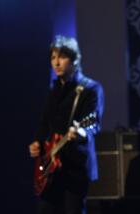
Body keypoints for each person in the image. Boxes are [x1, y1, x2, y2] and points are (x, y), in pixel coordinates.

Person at [29, 35, 104, 214]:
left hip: (75, 169)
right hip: (51, 171)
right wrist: (37, 143)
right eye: (53, 58)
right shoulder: (53, 90)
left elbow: (93, 124)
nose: (56, 63)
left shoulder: (90, 89)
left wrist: (81, 133)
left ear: (74, 60)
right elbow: (45, 123)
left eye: (62, 57)